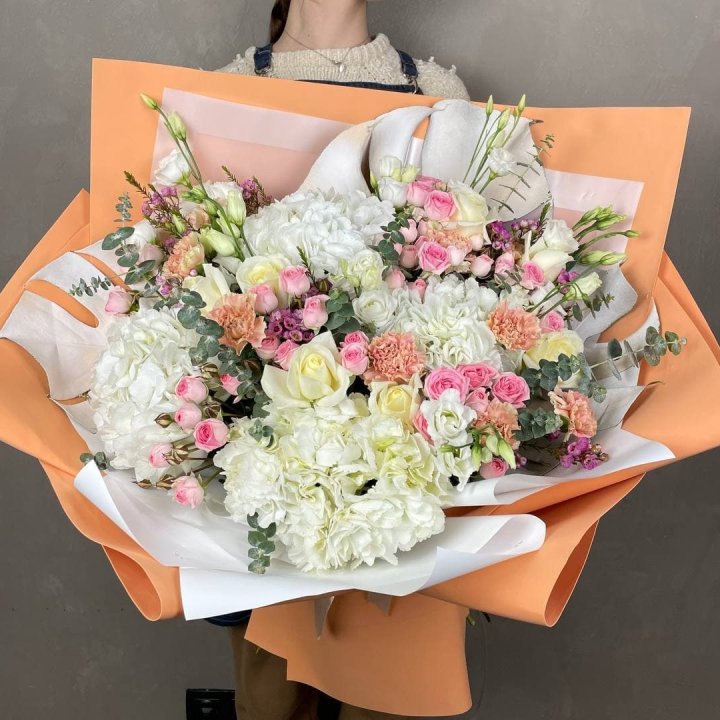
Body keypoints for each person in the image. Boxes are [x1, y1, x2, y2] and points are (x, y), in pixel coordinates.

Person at [214, 2, 471, 718]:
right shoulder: (229, 86)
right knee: (271, 693)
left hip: (402, 445)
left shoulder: (438, 93)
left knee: (387, 688)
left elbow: (473, 262)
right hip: (270, 446)